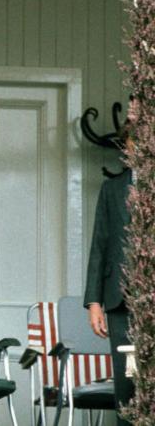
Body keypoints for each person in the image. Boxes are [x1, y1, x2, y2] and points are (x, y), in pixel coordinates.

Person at [84, 123, 135, 425]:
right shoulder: (112, 189)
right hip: (120, 303)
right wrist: (94, 302)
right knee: (126, 388)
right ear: (125, 147)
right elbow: (99, 245)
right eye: (133, 141)